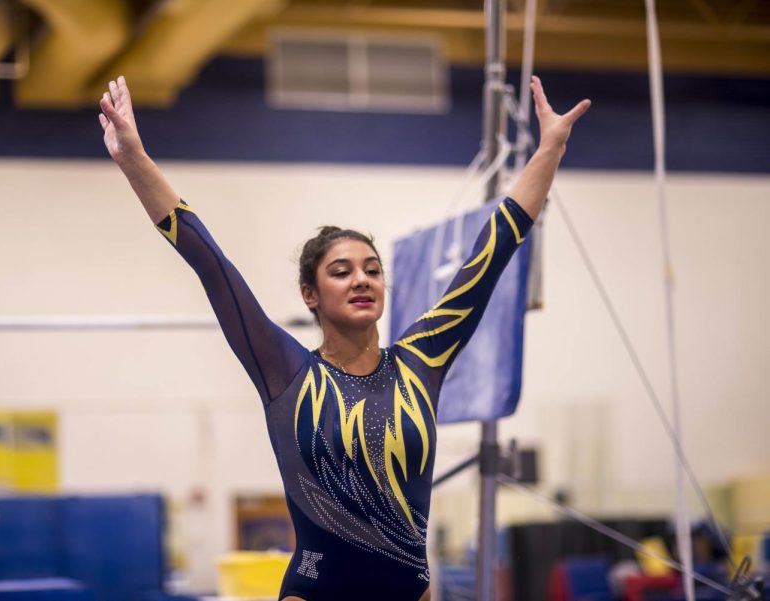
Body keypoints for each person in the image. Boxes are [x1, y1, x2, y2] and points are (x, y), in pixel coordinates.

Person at [98, 75, 589, 601]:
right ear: (310, 294)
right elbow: (209, 262)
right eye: (341, 271)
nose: (361, 279)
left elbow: (492, 253)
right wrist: (135, 160)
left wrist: (550, 149)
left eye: (372, 270)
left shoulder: (421, 362)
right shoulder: (284, 370)